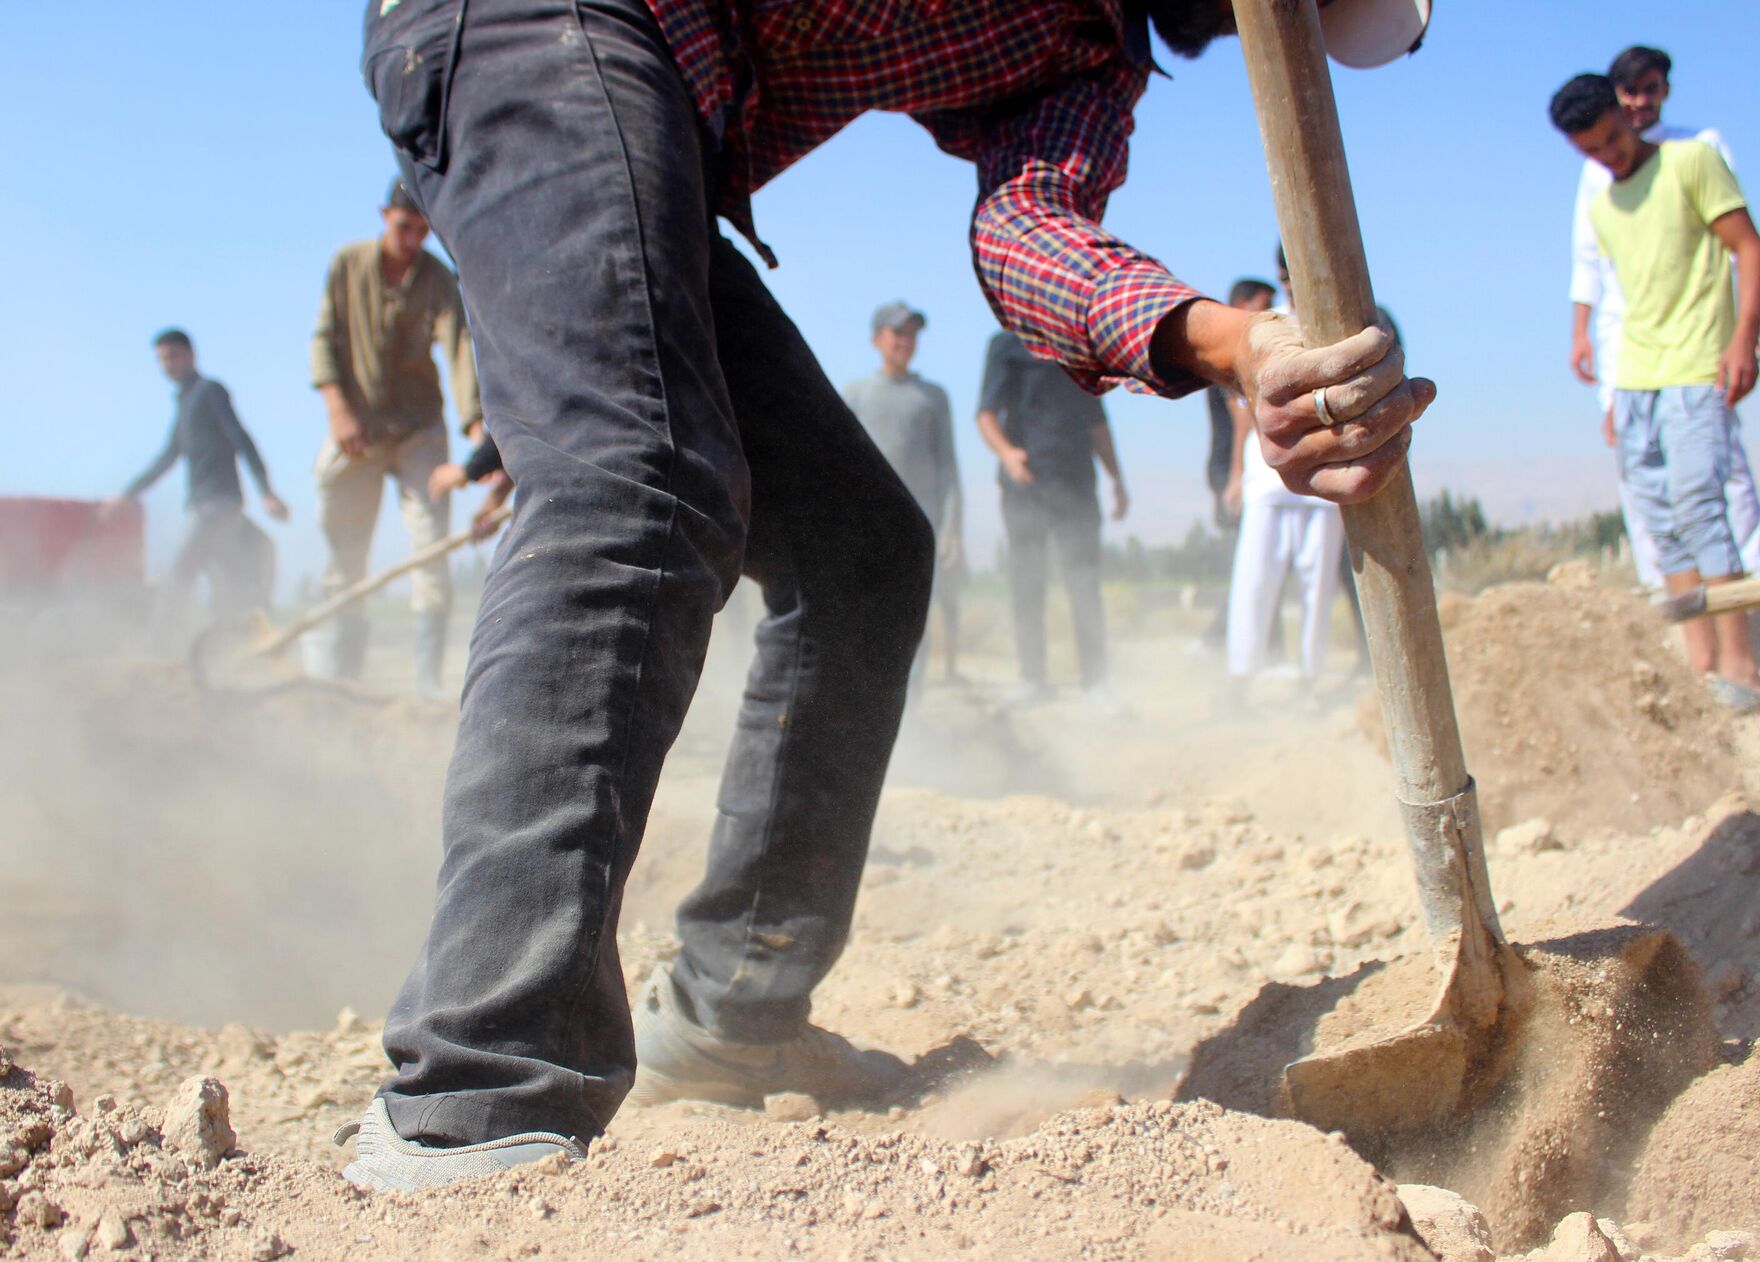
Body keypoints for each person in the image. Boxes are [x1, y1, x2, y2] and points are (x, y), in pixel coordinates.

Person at [337, 0, 1434, 1190]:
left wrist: (1229, 347)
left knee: (861, 552)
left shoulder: (1086, 56)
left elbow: (1029, 230)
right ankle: (475, 1091)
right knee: (638, 479)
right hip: (546, 26)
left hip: (649, 121)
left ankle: (731, 1018)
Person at [1552, 73, 1760, 707]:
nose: (1609, 155)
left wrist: (1743, 340)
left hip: (1697, 366)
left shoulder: (1692, 161)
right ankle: (1699, 669)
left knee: (1702, 508)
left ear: (1626, 110)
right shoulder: (1602, 204)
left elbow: (1747, 249)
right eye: (1592, 149)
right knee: (1659, 523)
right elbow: (1623, 297)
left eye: (1613, 138)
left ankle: (1742, 668)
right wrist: (1614, 388)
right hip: (1635, 376)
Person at [310, 178, 482, 696]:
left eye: (423, 231)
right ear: (385, 215)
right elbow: (325, 340)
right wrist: (339, 411)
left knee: (430, 549)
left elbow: (458, 350)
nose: (413, 239)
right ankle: (340, 671)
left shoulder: (438, 280)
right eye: (405, 226)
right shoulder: (347, 264)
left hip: (418, 431)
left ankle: (427, 684)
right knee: (344, 544)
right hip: (357, 430)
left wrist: (476, 428)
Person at [977, 328, 1127, 708]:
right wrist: (1008, 455)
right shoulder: (1007, 344)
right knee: (1028, 581)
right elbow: (986, 414)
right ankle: (1032, 679)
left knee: (1084, 582)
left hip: (1076, 482)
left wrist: (1117, 478)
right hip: (1025, 485)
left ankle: (1096, 681)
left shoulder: (1079, 343)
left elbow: (1097, 420)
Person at [106, 331, 289, 626]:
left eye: (173, 356)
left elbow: (240, 437)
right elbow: (167, 456)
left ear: (191, 355)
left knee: (183, 574)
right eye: (162, 359)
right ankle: (217, 644)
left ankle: (160, 651)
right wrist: (128, 494)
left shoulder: (209, 392)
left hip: (217, 508)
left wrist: (265, 491)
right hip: (208, 508)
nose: (168, 364)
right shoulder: (185, 404)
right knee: (230, 576)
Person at [1221, 288, 1347, 706]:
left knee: (1317, 584)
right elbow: (1244, 405)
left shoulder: (1339, 327)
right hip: (1268, 475)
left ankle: (1310, 682)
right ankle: (1239, 681)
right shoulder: (1266, 328)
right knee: (1255, 579)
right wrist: (1237, 472)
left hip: (1324, 475)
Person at [842, 301, 964, 690]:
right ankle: (867, 700)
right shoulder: (856, 394)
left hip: (920, 527)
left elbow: (948, 468)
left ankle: (910, 706)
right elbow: (843, 464)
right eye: (898, 333)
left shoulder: (933, 396)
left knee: (915, 619)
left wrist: (952, 530)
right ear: (877, 339)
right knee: (864, 617)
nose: (906, 341)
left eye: (912, 334)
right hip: (869, 527)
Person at [1196, 277, 1276, 652]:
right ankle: (1225, 641)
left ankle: (1249, 644)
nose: (1270, 312)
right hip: (1234, 468)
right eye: (1264, 303)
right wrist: (1236, 476)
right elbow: (1240, 413)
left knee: (1259, 561)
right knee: (1253, 562)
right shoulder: (1231, 348)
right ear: (1242, 304)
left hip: (1239, 470)